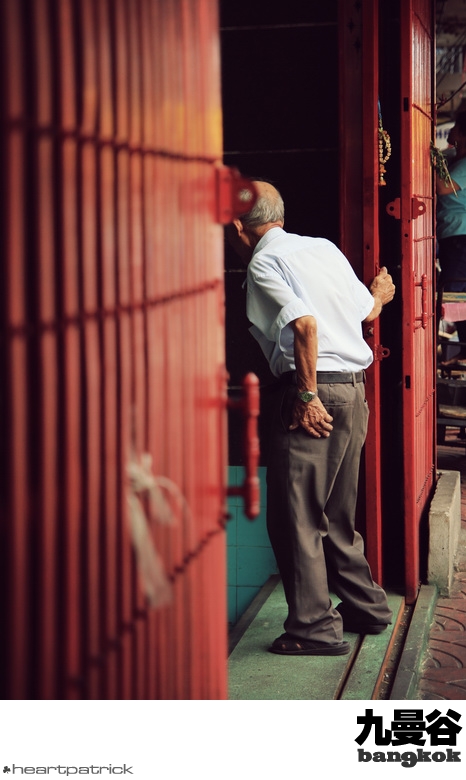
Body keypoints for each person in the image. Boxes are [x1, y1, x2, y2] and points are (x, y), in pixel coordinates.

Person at [227, 180, 395, 656]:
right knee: (336, 515)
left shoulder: (263, 260)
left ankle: (313, 629)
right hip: (352, 391)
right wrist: (379, 291)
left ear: (238, 227)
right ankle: (367, 609)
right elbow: (367, 310)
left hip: (314, 392)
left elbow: (304, 324)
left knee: (296, 518)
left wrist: (305, 394)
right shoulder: (321, 248)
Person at [436, 112, 466, 365]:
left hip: (460, 237)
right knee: (457, 294)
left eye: (455, 127)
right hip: (453, 235)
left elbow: (443, 187)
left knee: (454, 294)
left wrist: (431, 163)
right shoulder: (459, 160)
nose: (451, 132)